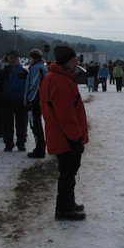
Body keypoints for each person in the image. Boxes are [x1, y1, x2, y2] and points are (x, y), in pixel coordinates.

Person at [40, 46, 89, 221]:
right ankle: (63, 209)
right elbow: (66, 116)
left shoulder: (56, 78)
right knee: (67, 173)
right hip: (66, 137)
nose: (77, 63)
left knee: (68, 172)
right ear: (65, 63)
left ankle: (68, 203)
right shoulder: (60, 82)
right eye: (74, 60)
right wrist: (75, 138)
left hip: (61, 135)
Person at [0, 50, 28, 152]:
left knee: (22, 125)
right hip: (7, 102)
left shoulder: (24, 72)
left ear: (18, 59)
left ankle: (21, 143)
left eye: (15, 58)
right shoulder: (3, 73)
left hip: (21, 102)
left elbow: (28, 88)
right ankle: (8, 144)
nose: (13, 60)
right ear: (8, 59)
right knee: (7, 125)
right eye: (11, 58)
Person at [24, 48, 49, 158]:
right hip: (40, 100)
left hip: (35, 101)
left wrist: (29, 99)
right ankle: (40, 147)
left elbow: (34, 85)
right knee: (37, 124)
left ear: (32, 58)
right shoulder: (43, 67)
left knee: (35, 124)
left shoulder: (36, 68)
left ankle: (40, 148)